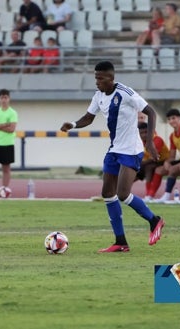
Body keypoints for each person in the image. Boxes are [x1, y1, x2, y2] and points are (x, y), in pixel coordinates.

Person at [60, 61, 165, 252]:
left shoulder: (126, 92)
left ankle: (154, 220)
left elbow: (151, 112)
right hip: (114, 149)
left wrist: (149, 141)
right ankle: (121, 242)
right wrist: (73, 125)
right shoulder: (99, 96)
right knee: (108, 193)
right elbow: (88, 117)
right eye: (95, 78)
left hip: (131, 150)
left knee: (123, 194)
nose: (97, 82)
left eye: (100, 78)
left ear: (111, 78)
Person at [136, 122, 170, 202]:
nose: (144, 135)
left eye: (146, 132)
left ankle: (150, 194)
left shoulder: (157, 140)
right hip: (149, 163)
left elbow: (154, 157)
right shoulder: (139, 142)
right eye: (142, 133)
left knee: (149, 167)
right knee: (131, 171)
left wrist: (140, 164)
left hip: (163, 161)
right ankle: (121, 193)